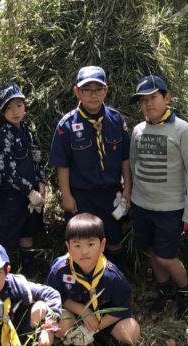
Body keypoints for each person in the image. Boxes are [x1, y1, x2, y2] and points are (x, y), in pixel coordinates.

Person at [129, 75, 188, 318]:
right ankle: (164, 290)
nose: (148, 104)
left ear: (167, 97)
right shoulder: (138, 130)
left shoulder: (182, 130)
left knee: (167, 256)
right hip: (141, 205)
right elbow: (133, 164)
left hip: (170, 208)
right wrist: (130, 197)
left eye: (153, 98)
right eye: (143, 100)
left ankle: (185, 291)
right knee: (151, 251)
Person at [48, 66, 131, 271]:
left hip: (111, 194)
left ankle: (116, 281)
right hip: (82, 195)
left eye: (98, 89)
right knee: (82, 244)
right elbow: (62, 164)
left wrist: (128, 189)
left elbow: (125, 159)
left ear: (106, 91)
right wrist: (66, 195)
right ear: (77, 91)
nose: (93, 95)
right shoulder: (66, 125)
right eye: (87, 90)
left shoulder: (116, 120)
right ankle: (84, 287)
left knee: (113, 239)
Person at [0, 83, 47, 278]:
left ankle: (28, 275)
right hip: (12, 195)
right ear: (2, 112)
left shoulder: (28, 128)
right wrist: (29, 190)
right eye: (9, 108)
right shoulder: (2, 137)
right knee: (2, 237)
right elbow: (7, 170)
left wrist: (41, 181)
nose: (15, 111)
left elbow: (37, 154)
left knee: (28, 233)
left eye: (18, 105)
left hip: (32, 193)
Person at [46, 213, 140, 345]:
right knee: (61, 323)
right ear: (68, 247)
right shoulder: (59, 270)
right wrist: (82, 311)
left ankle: (100, 336)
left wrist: (95, 328)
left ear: (102, 245)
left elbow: (123, 307)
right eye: (77, 245)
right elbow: (53, 297)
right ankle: (73, 335)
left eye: (90, 244)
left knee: (132, 332)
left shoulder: (113, 276)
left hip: (105, 320)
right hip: (75, 316)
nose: (84, 251)